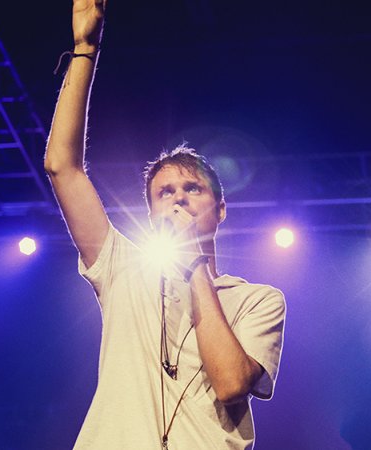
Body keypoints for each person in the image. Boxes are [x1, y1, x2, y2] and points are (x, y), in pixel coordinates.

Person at [43, 1, 286, 448]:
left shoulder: (258, 300)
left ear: (221, 208)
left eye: (192, 189)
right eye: (165, 193)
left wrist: (193, 266)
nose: (178, 198)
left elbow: (232, 384)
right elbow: (62, 167)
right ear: (152, 213)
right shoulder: (122, 268)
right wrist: (84, 50)